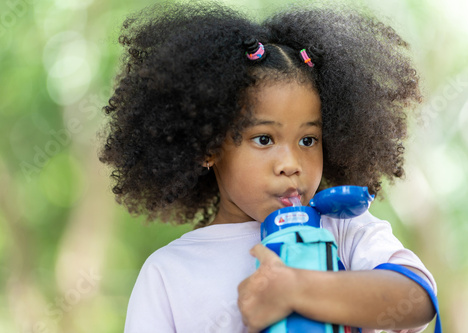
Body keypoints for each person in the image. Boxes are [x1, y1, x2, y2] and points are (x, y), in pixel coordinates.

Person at [99, 1, 437, 332]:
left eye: (308, 140)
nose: (291, 165)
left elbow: (418, 301)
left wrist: (297, 289)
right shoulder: (168, 273)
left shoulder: (343, 229)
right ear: (208, 147)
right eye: (263, 139)